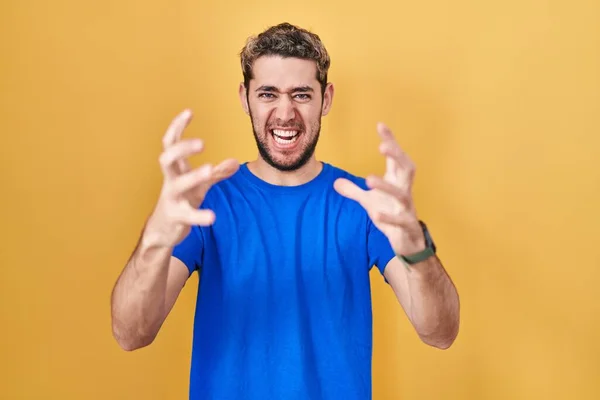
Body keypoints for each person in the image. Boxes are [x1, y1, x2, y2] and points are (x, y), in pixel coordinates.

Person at [110, 22, 460, 400]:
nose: (285, 112)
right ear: (245, 98)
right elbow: (130, 335)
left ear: (326, 99)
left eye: (301, 95)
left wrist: (417, 249)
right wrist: (155, 242)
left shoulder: (365, 203)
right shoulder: (203, 204)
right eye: (268, 94)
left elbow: (440, 333)